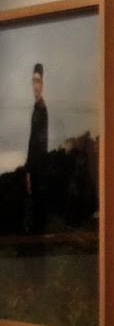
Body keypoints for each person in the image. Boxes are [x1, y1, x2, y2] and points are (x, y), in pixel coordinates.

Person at [24, 62, 47, 233]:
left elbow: (38, 144)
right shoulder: (37, 107)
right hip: (35, 169)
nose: (35, 86)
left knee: (37, 214)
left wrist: (31, 172)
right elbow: (32, 141)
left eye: (38, 81)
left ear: (42, 84)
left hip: (38, 170)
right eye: (33, 81)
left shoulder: (41, 109)